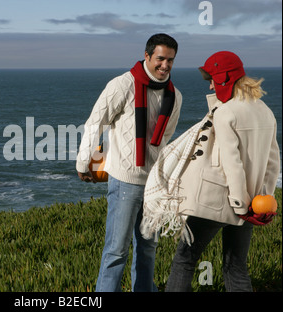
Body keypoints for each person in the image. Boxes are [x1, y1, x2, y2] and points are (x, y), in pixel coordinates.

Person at [162, 51, 281, 292]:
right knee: (236, 267)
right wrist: (262, 200)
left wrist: (238, 204)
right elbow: (272, 163)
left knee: (184, 260)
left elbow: (232, 162)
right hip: (252, 204)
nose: (210, 84)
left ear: (225, 78)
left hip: (215, 202)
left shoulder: (225, 112)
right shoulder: (265, 111)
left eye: (212, 78)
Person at [76, 33, 182, 292]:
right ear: (147, 56)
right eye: (160, 59)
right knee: (116, 251)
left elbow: (165, 142)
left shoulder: (175, 97)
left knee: (148, 250)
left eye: (170, 60)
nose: (165, 65)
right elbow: (95, 124)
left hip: (154, 184)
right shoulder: (122, 85)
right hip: (125, 182)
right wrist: (83, 164)